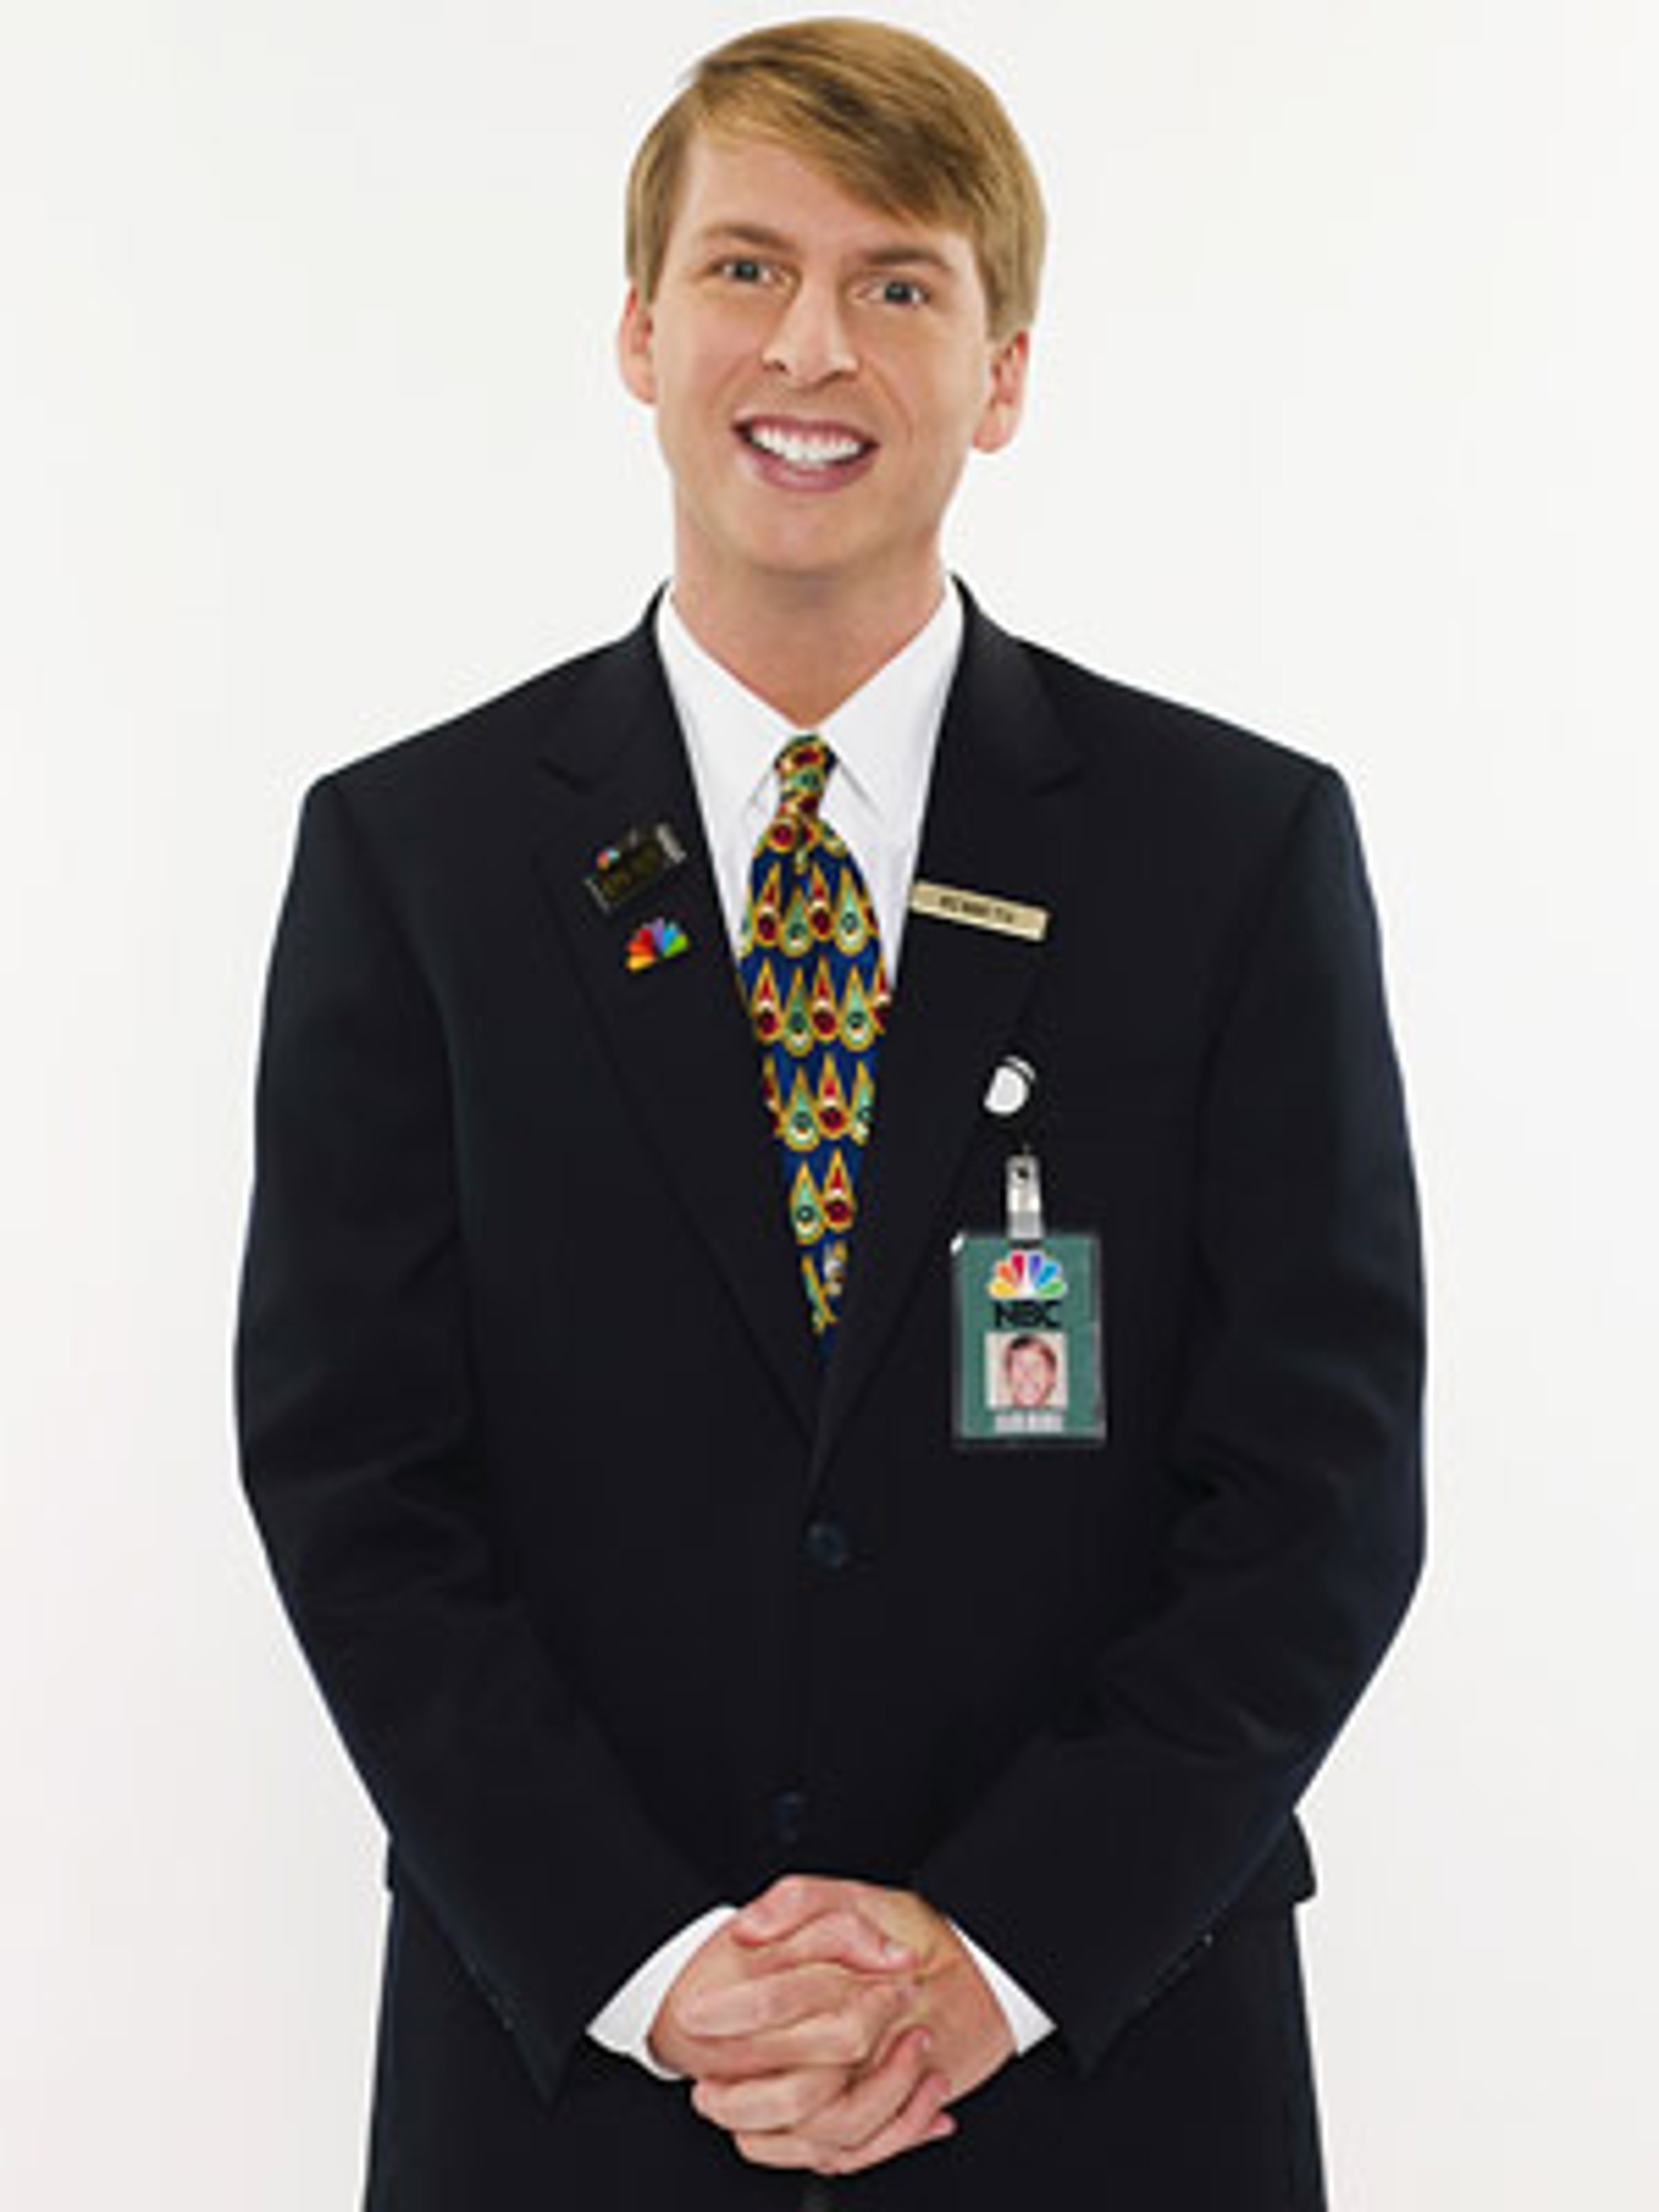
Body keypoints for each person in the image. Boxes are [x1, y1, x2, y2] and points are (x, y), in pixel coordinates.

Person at [235, 19, 1424, 2209]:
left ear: (1004, 373)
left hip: (1102, 2066)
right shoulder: (416, 859)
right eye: (745, 267)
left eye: (901, 283)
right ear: (637, 330)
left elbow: (1319, 1490)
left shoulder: (1231, 848)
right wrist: (657, 1959)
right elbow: (357, 1480)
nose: (813, 343)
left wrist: (994, 1953)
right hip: (578, 2075)